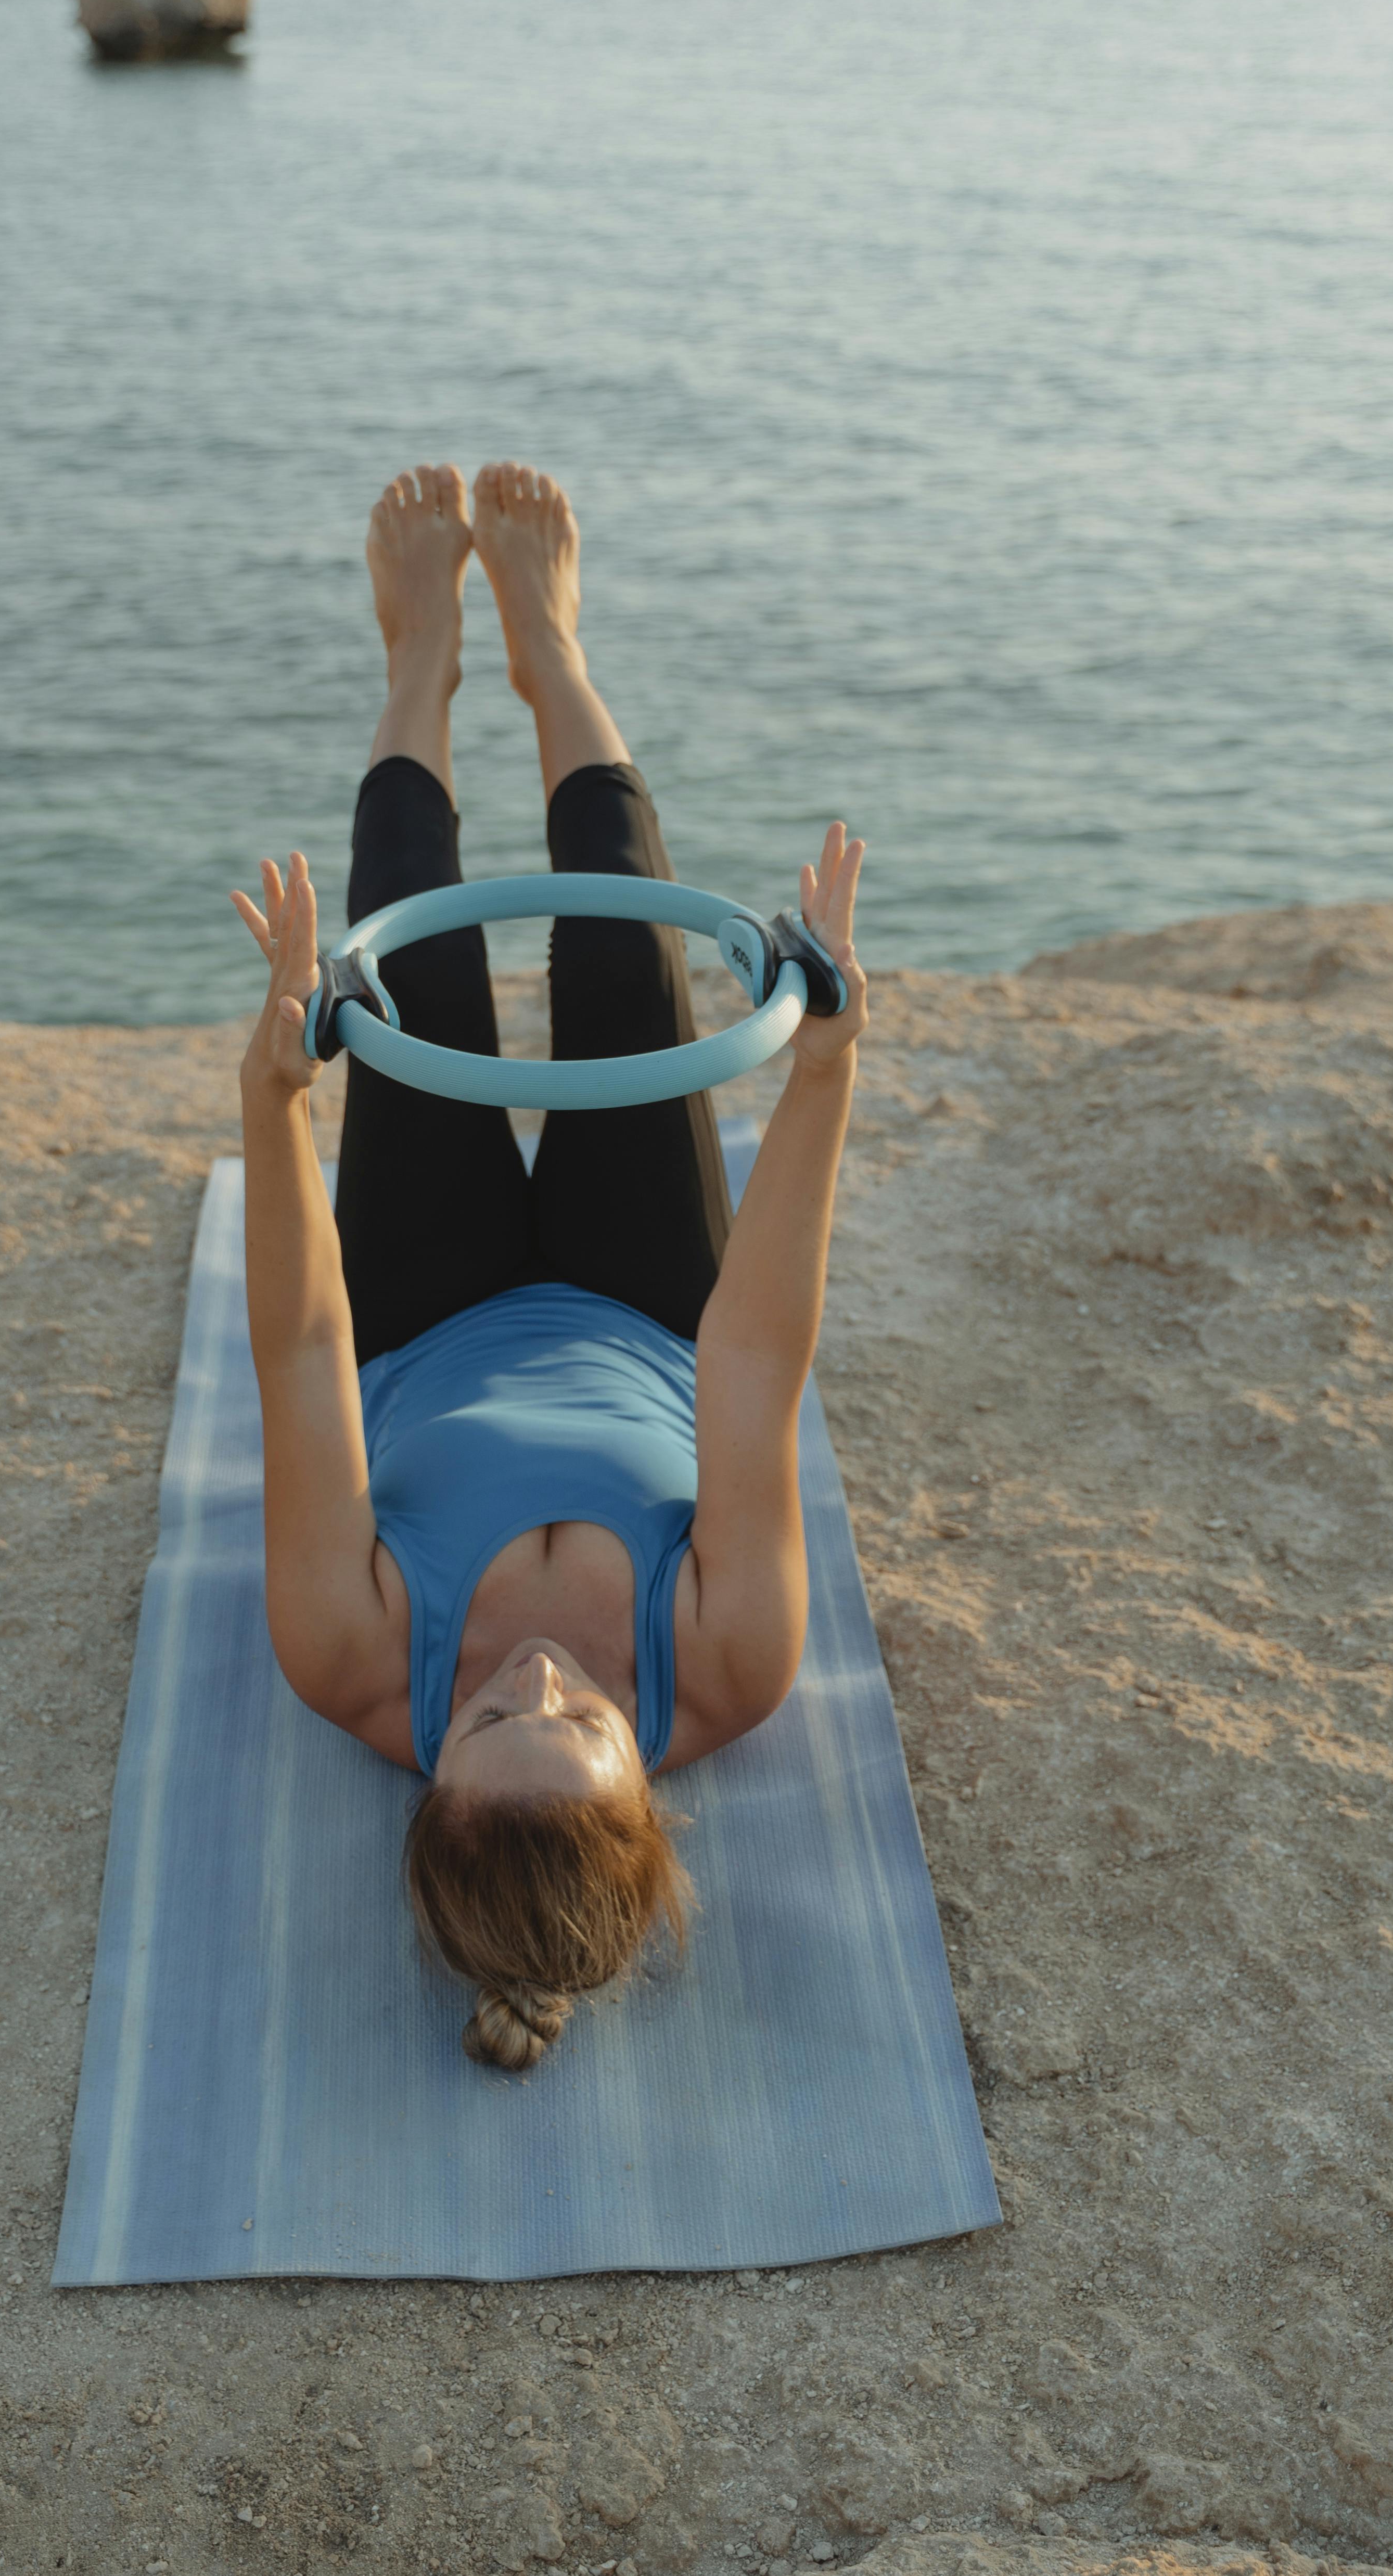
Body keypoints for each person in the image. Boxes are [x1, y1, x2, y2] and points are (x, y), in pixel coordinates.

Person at [232, 462, 867, 2070]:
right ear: (647, 1783)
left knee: (412, 957)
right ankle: (554, 649)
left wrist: (275, 1098)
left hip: (422, 1310)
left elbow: (303, 1355)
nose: (526, 1676)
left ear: (427, 1775)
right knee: (627, 951)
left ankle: (419, 664)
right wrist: (827, 1070)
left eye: (485, 1720)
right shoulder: (733, 1662)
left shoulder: (346, 1655)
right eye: (577, 1720)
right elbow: (753, 1359)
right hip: (647, 1305)